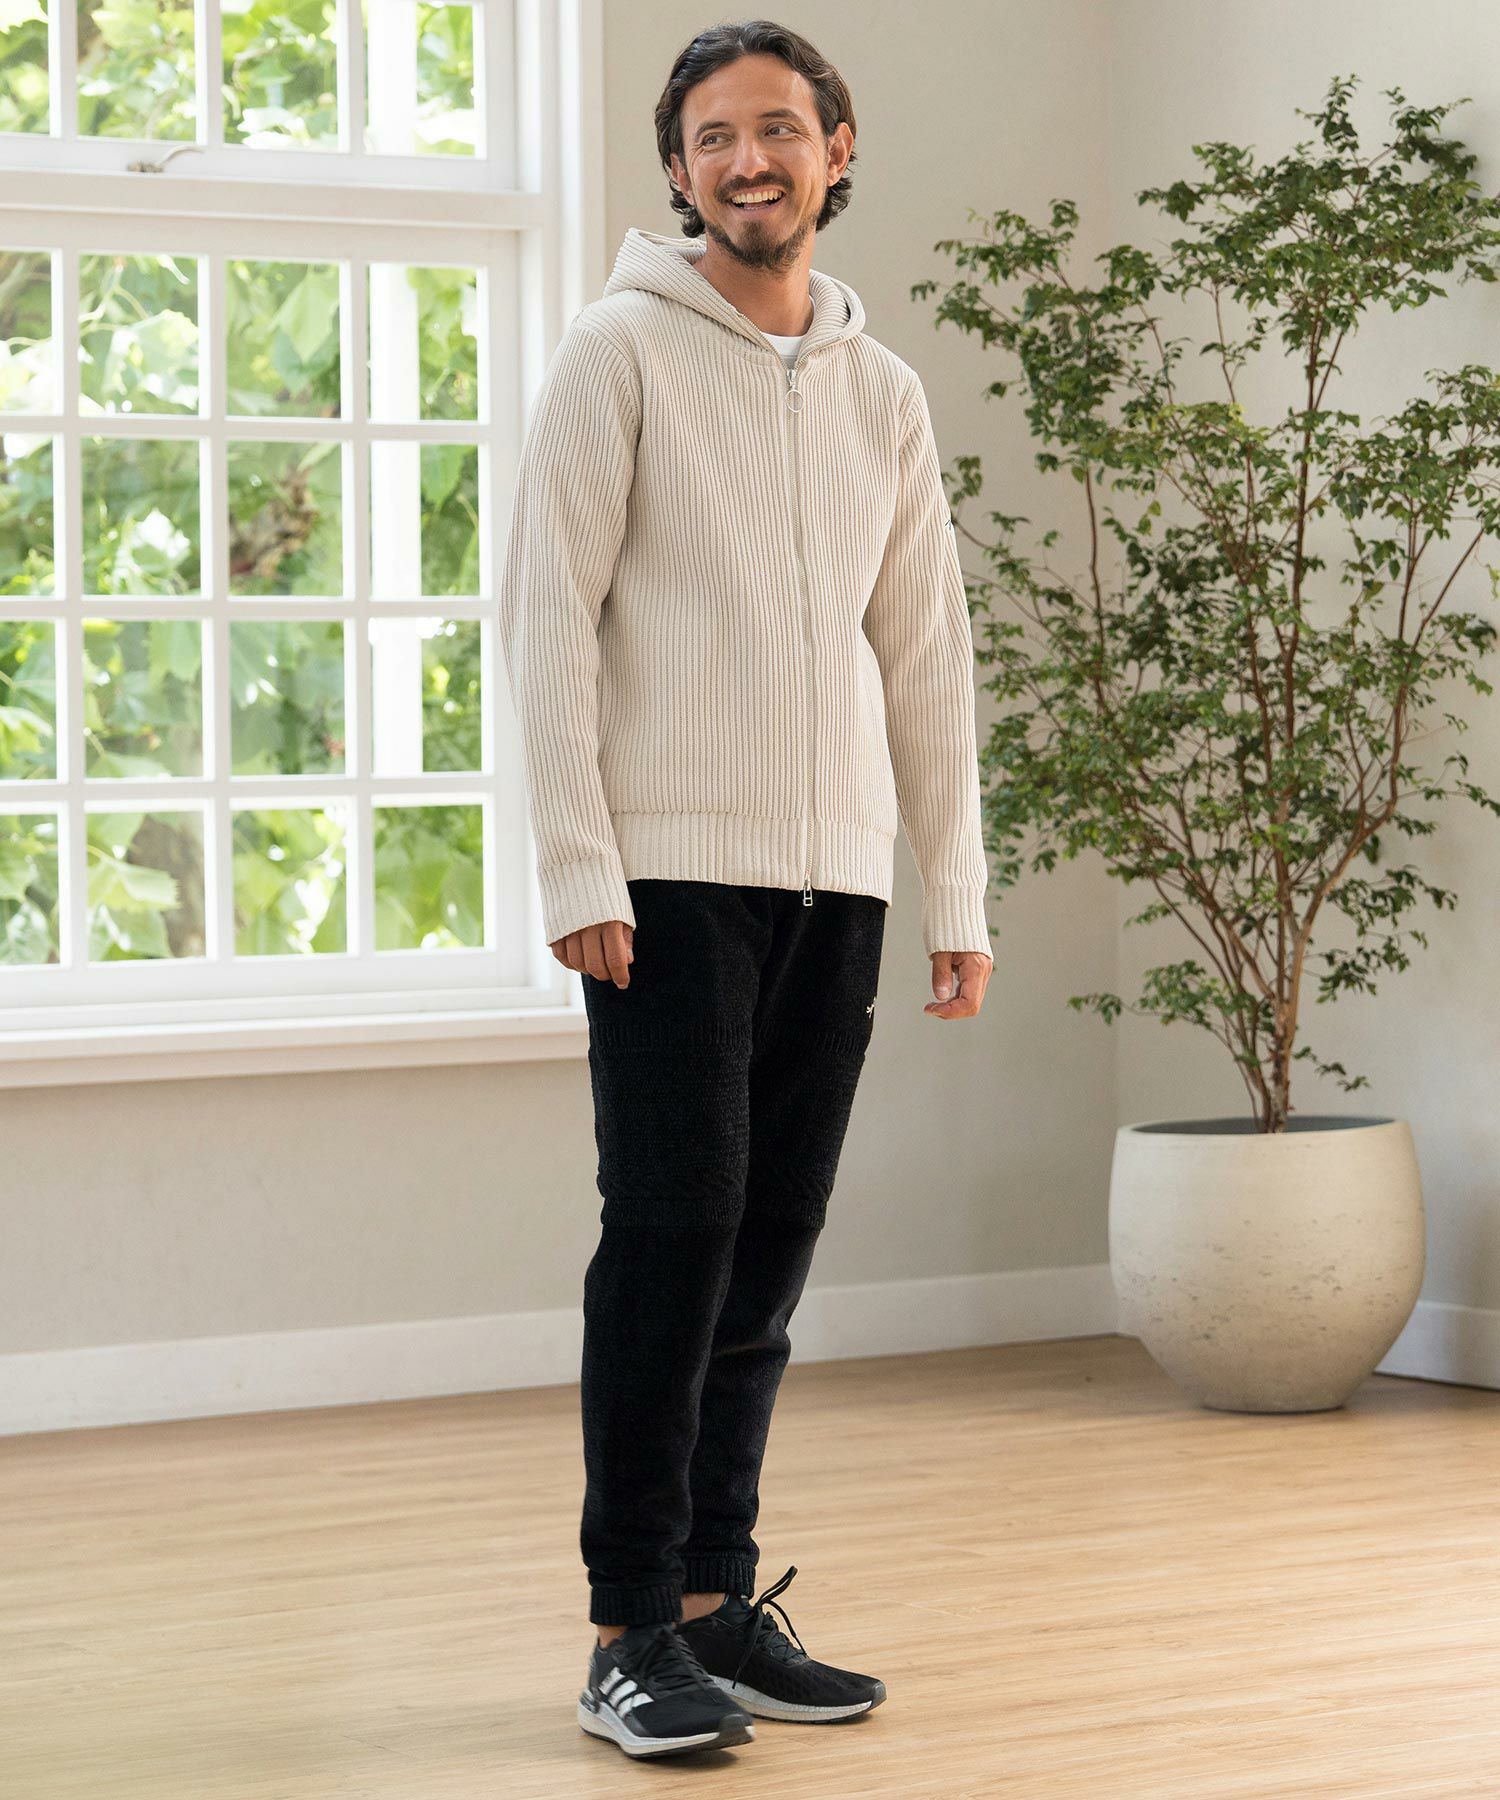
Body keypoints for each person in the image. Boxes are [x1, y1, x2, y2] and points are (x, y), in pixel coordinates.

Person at [497, 18, 994, 1762]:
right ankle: (628, 1626)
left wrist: (955, 892)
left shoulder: (881, 390)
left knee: (769, 1244)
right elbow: (543, 619)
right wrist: (579, 858)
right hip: (663, 877)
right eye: (714, 137)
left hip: (832, 878)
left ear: (836, 151)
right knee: (674, 1232)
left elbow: (925, 651)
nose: (748, 159)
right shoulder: (616, 354)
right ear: (679, 171)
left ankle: (716, 1599)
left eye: (778, 127)